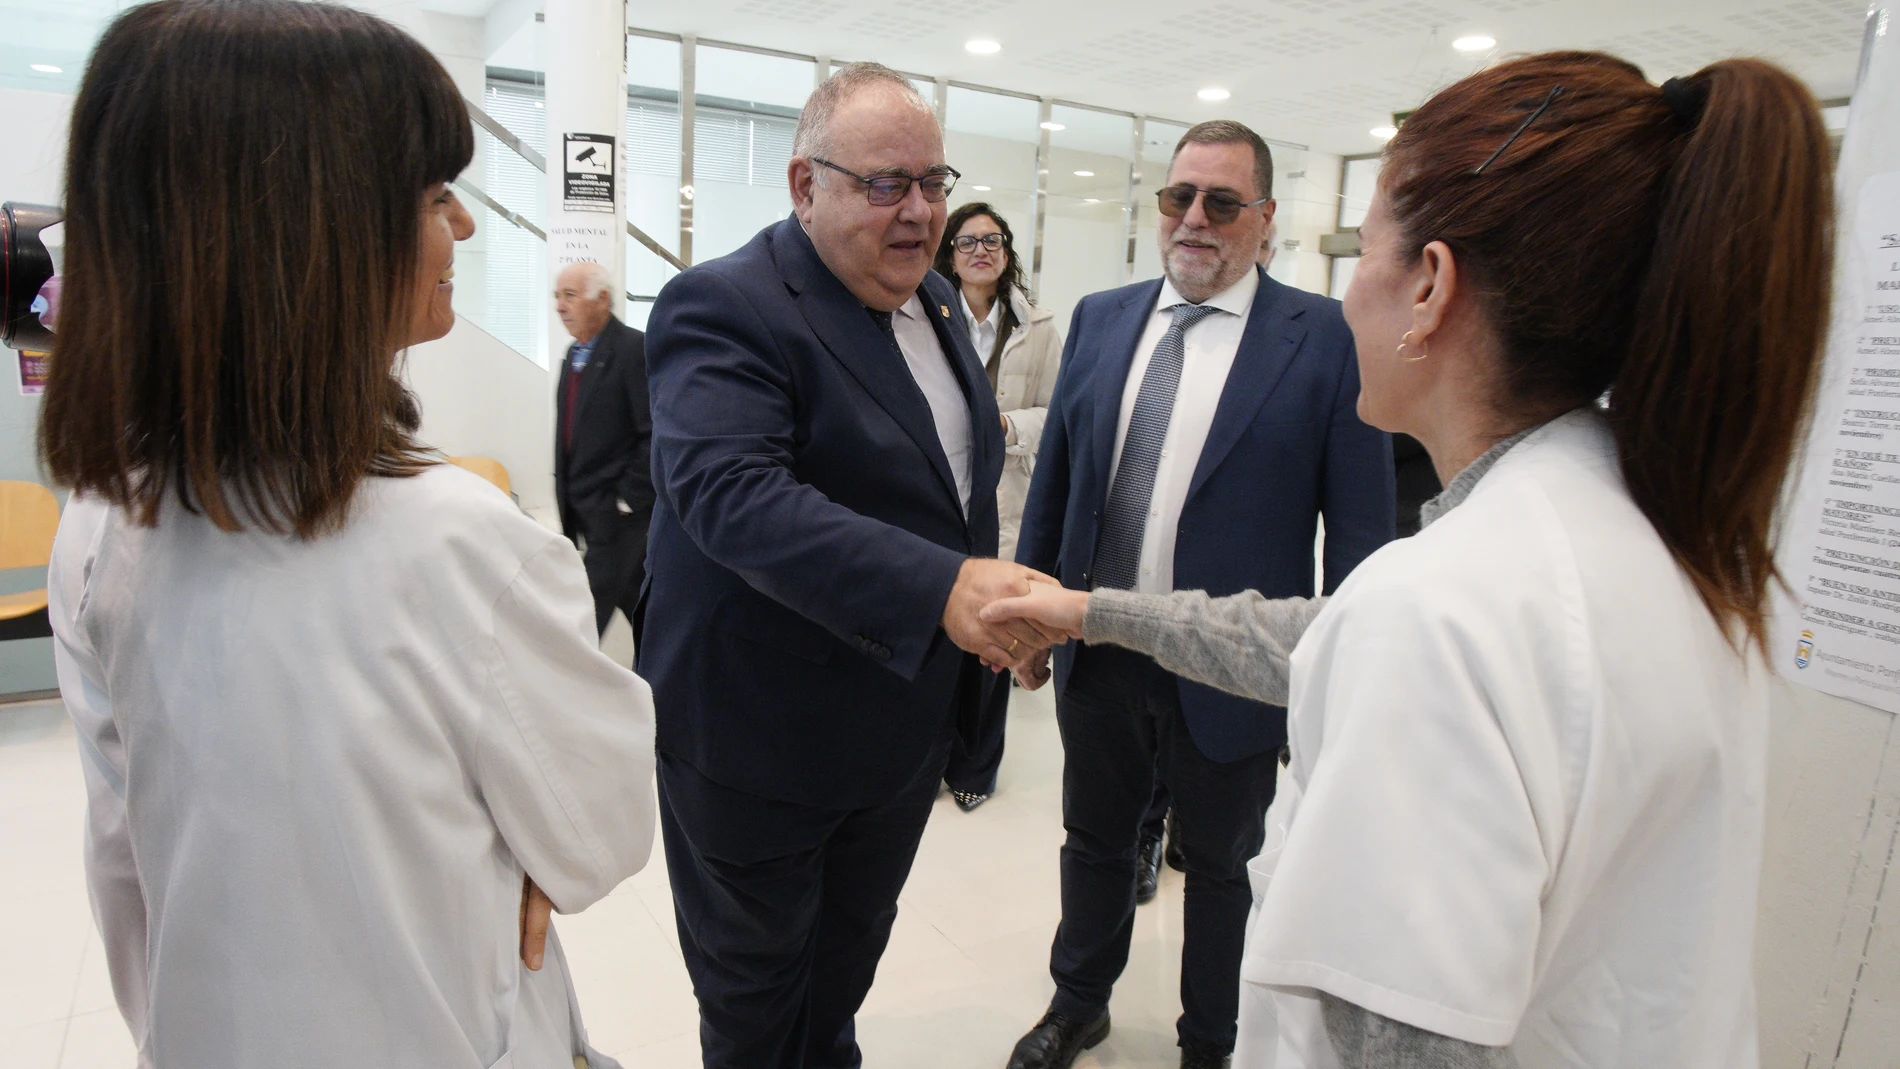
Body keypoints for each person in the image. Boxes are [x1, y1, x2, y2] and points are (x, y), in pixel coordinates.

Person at [982, 51, 1831, 1069]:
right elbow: (1331, 635)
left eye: (1366, 256)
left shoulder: (1441, 610)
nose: (1345, 303)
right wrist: (1090, 613)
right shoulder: (1645, 528)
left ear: (1428, 286)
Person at [36, 3, 658, 1067]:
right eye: (433, 196)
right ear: (315, 232)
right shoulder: (462, 543)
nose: (460, 229)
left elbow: (123, 857)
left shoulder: (104, 519)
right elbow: (596, 834)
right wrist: (517, 853)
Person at [639, 62, 1054, 1069]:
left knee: (839, 977)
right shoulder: (725, 304)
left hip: (894, 731)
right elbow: (731, 495)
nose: (919, 212)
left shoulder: (943, 309)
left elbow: (950, 493)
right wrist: (941, 591)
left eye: (933, 183)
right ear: (802, 185)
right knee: (754, 1005)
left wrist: (989, 612)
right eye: (885, 184)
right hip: (759, 743)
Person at [1005, 120, 1394, 1069]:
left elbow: (1362, 533)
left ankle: (1211, 1040)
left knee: (1221, 866)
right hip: (1101, 644)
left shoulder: (1326, 339)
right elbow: (1059, 477)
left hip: (1233, 666)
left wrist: (1340, 677)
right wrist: (1030, 613)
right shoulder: (1102, 317)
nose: (1193, 219)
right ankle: (1079, 1000)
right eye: (1178, 197)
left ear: (1265, 219)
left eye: (1222, 203)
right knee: (1094, 840)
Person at [931, 201, 1064, 811]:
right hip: (940, 489)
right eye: (966, 242)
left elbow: (1058, 412)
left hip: (1006, 491)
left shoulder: (1039, 327)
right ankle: (928, 755)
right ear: (949, 254)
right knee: (937, 624)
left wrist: (1007, 426)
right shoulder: (924, 316)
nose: (980, 250)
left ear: (1006, 252)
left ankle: (976, 769)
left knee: (995, 632)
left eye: (992, 240)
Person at [553, 259, 654, 637]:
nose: (560, 306)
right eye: (557, 296)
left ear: (603, 300)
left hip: (617, 518)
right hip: (584, 510)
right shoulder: (573, 356)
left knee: (580, 625)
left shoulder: (633, 349)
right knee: (644, 609)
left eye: (570, 296)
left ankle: (565, 695)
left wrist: (627, 499)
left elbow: (653, 431)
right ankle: (663, 686)